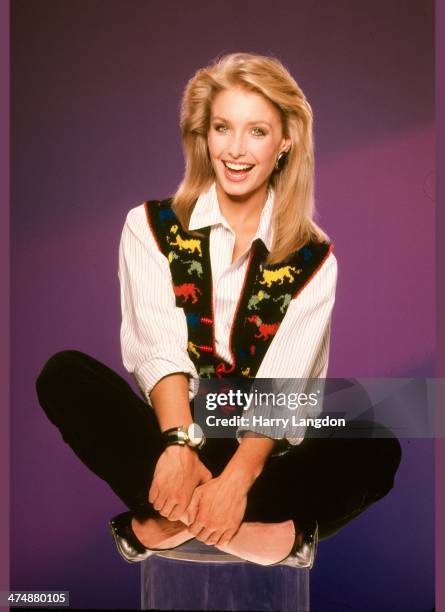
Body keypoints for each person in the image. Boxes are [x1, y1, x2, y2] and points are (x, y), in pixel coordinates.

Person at [36, 52, 401, 567]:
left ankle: (159, 528)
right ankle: (276, 539)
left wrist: (234, 481)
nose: (235, 149)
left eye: (256, 131)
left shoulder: (314, 258)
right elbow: (158, 348)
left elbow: (285, 387)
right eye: (222, 128)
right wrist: (180, 449)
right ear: (203, 136)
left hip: (259, 462)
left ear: (286, 141)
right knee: (65, 374)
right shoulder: (149, 227)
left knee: (378, 443)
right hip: (170, 444)